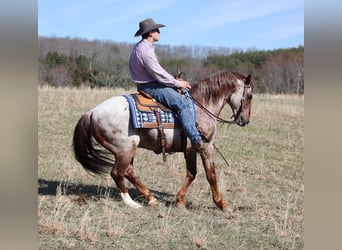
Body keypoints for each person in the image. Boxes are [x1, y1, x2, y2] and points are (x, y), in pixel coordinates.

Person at [128, 18, 207, 152]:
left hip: (149, 83)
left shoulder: (140, 47)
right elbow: (158, 73)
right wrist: (177, 83)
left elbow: (158, 72)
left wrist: (172, 80)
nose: (159, 32)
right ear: (151, 32)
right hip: (151, 86)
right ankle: (195, 139)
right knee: (182, 103)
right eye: (157, 30)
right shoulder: (145, 51)